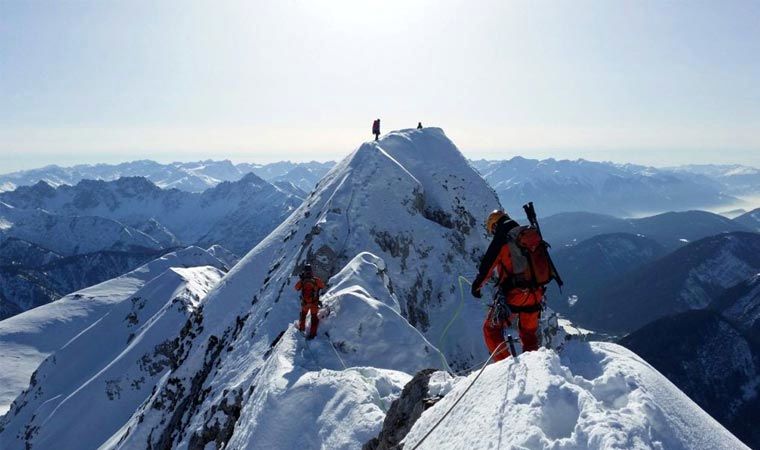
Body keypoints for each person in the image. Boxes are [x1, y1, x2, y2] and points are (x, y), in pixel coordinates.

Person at [471, 210, 543, 360]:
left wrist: (476, 287)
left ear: (495, 226)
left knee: (490, 329)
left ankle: (504, 364)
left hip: (515, 294)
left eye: (492, 230)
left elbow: (486, 267)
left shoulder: (502, 239)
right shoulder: (528, 235)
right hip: (536, 294)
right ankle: (535, 366)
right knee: (529, 334)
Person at [295, 264, 326, 339]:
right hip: (314, 303)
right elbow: (322, 286)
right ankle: (312, 334)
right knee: (314, 318)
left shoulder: (303, 281)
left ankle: (302, 330)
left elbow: (296, 288)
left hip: (305, 303)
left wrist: (302, 279)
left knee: (303, 316)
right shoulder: (316, 280)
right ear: (311, 271)